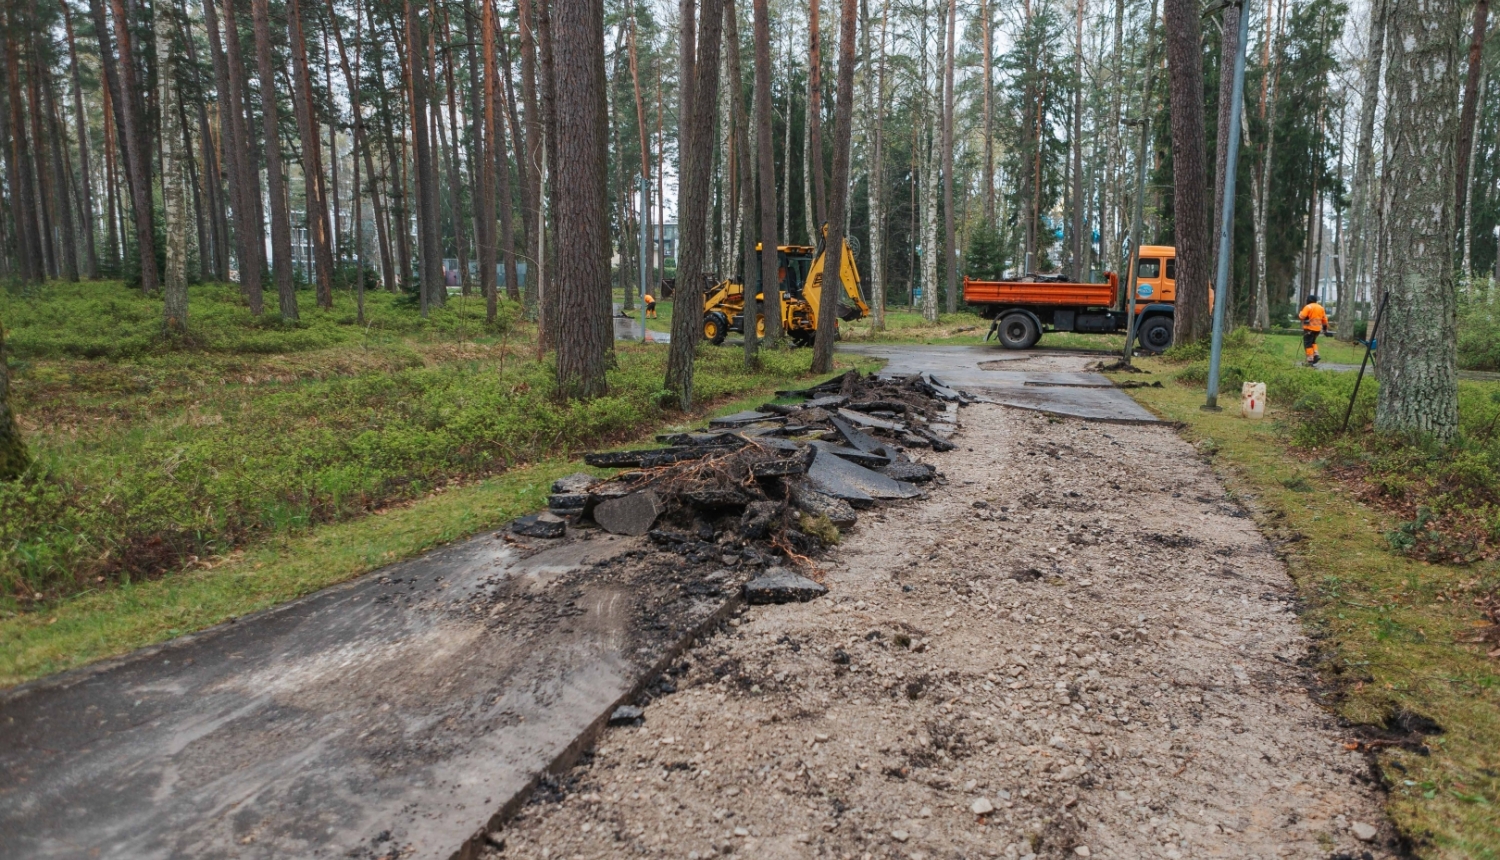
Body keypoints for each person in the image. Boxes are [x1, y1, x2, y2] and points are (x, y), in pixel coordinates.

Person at [1298, 293, 1330, 365]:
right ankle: (1316, 355)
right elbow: (1325, 320)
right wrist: (1325, 330)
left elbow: (1302, 316)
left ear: (1308, 300)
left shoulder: (1308, 307)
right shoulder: (1321, 308)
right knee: (1313, 342)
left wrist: (1300, 313)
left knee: (1308, 344)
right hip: (1317, 329)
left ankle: (1310, 361)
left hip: (1309, 329)